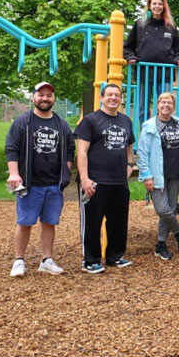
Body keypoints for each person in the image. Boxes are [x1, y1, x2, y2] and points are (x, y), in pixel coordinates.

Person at [5, 82, 74, 277]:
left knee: (49, 222)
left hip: (54, 184)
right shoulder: (23, 122)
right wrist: (14, 173)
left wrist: (66, 171)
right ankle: (19, 260)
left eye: (49, 95)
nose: (45, 98)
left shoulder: (61, 124)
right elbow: (12, 148)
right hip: (29, 183)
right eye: (41, 95)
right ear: (33, 97)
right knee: (25, 222)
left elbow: (70, 149)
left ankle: (47, 260)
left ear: (53, 99)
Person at [75, 84, 136, 273]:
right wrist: (84, 179)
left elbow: (129, 146)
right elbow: (82, 151)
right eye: (109, 94)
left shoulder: (126, 120)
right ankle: (90, 260)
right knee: (93, 222)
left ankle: (115, 256)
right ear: (102, 98)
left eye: (117, 95)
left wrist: (129, 165)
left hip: (118, 181)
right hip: (95, 180)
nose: (113, 98)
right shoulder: (90, 120)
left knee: (118, 221)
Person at [136, 92, 179, 260]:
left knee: (170, 208)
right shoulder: (149, 126)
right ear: (158, 105)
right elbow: (142, 152)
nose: (166, 105)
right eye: (163, 102)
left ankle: (160, 244)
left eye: (169, 103)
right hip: (156, 174)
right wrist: (146, 175)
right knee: (162, 209)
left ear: (173, 106)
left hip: (175, 172)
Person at [124, 0, 179, 120]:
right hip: (144, 72)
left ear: (164, 7)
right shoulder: (140, 24)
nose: (157, 6)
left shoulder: (170, 27)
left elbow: (177, 49)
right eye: (154, 4)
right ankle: (145, 136)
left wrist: (177, 59)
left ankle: (162, 136)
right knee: (142, 106)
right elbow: (128, 46)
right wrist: (130, 57)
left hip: (164, 73)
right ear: (149, 6)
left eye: (160, 4)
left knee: (165, 105)